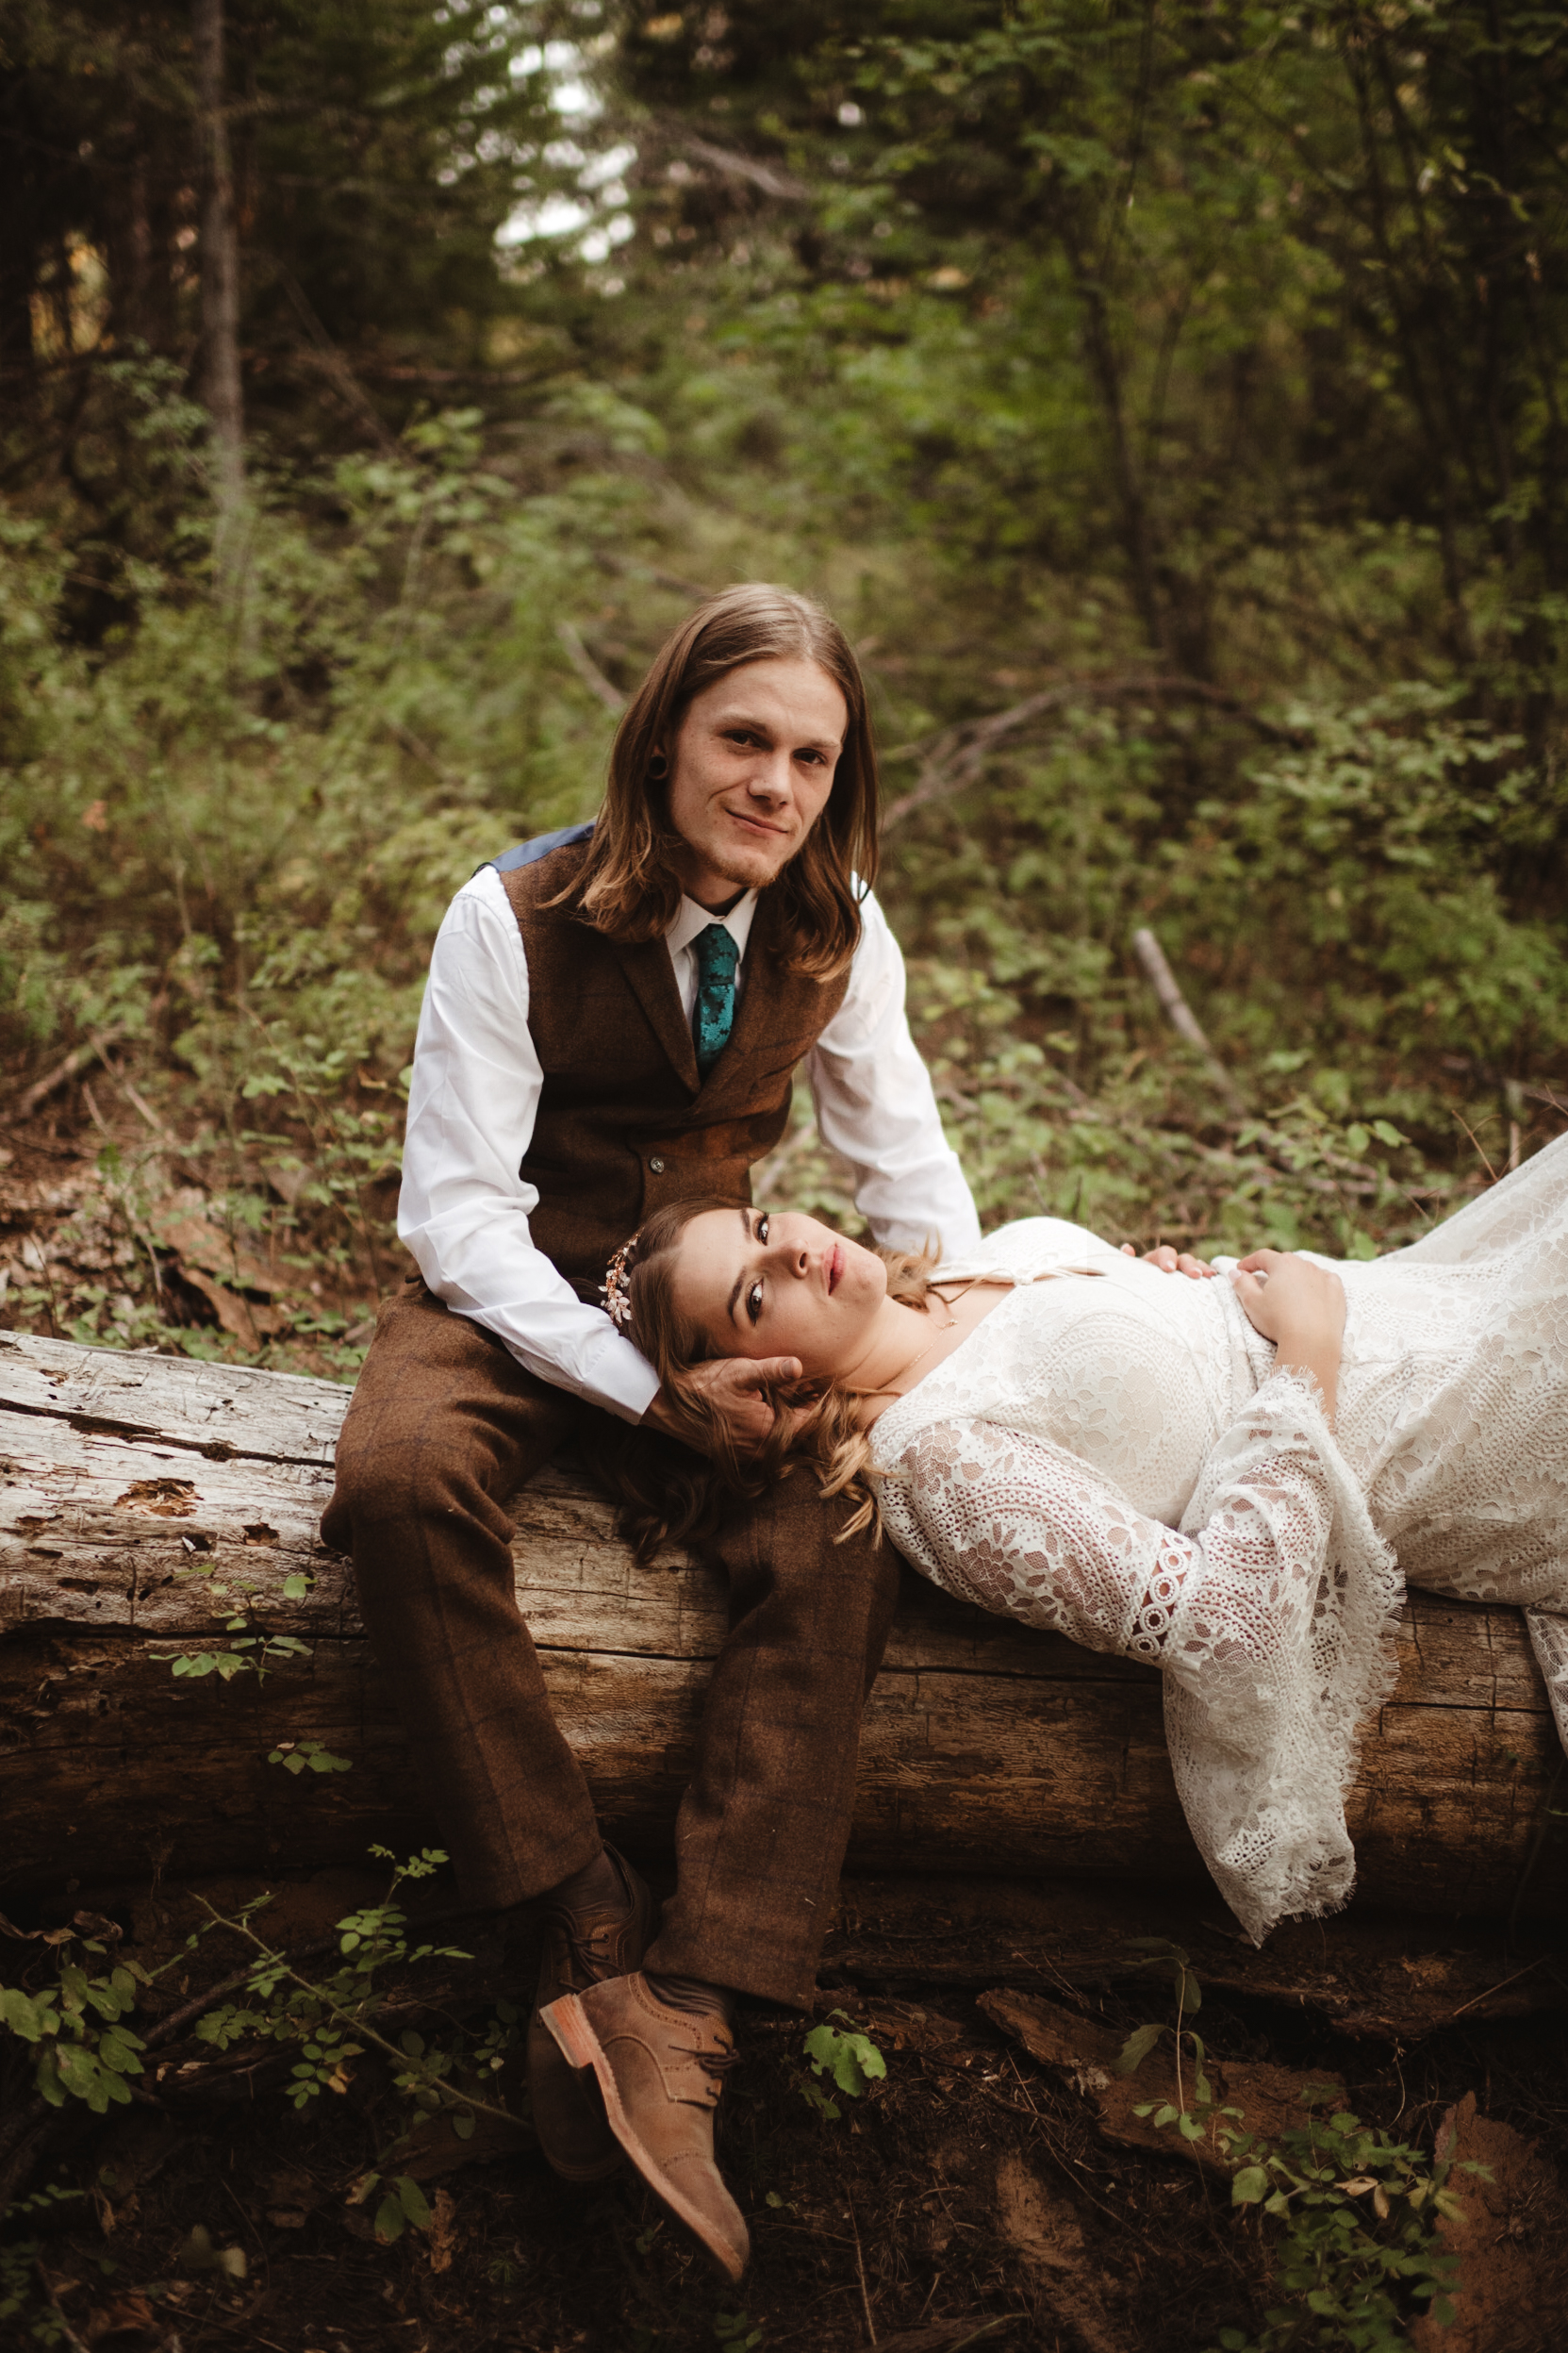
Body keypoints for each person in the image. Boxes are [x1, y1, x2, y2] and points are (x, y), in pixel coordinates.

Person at [321, 583, 990, 2283]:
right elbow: (452, 1220)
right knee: (398, 1489)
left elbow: (907, 1174)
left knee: (841, 1538)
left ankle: (694, 2003)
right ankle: (573, 1936)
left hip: (717, 1294)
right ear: (667, 739)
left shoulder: (835, 927)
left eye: (810, 758)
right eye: (743, 740)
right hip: (517, 1295)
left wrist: (964, 1342)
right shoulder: (514, 912)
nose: (773, 784)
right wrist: (638, 1398)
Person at [605, 1148, 1568, 1947]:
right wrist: (1306, 1356)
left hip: (1429, 1307)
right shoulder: (941, 1463)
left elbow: (1149, 1376)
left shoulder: (960, 1273)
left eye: (764, 1226)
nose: (796, 1255)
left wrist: (1178, 1294)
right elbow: (1227, 1622)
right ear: (754, 1380)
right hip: (1453, 1432)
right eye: (754, 1295)